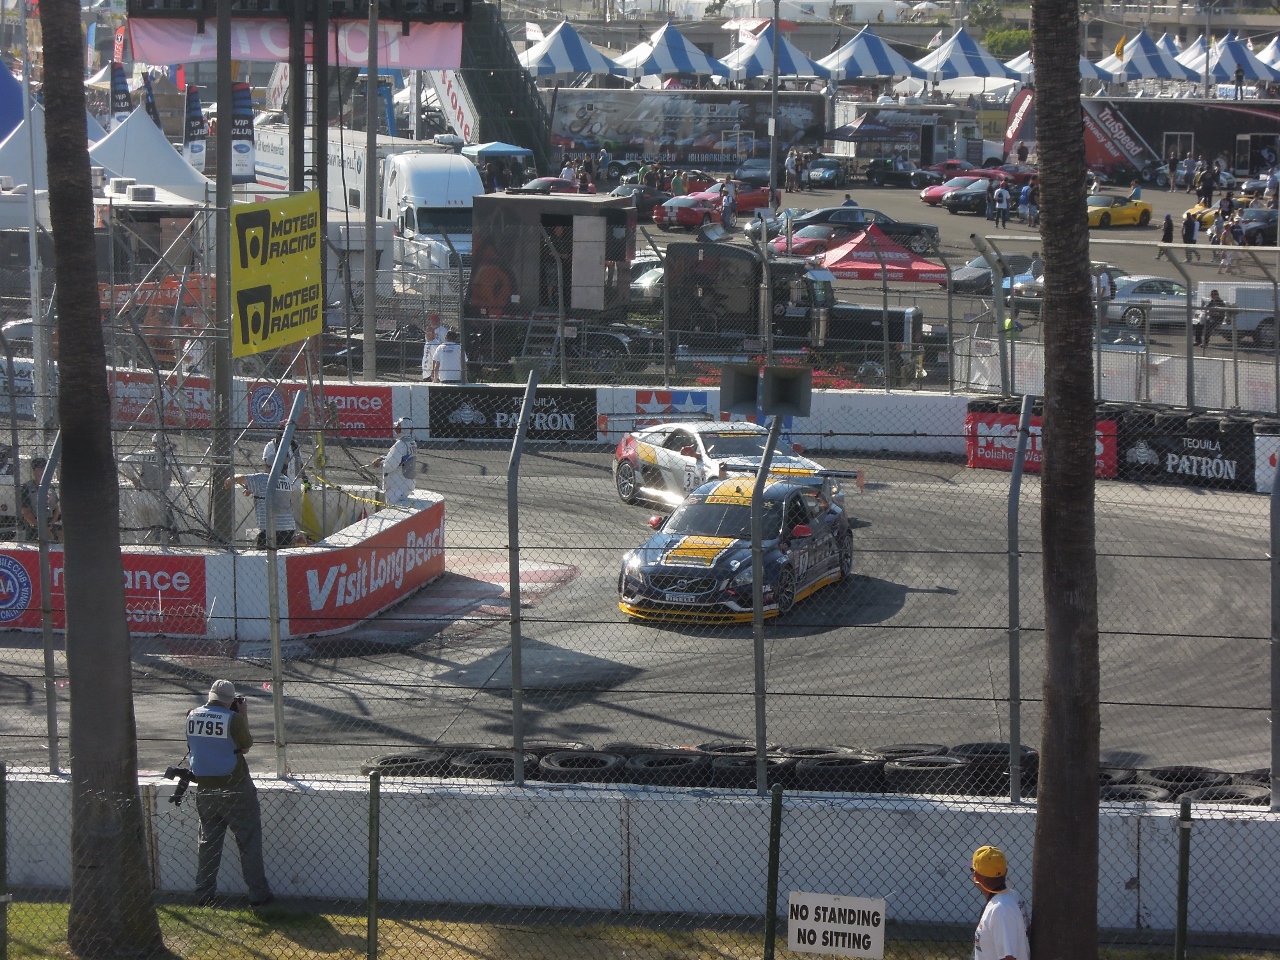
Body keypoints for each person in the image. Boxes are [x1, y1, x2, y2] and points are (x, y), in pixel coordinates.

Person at [187, 680, 273, 908]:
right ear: (231, 700)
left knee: (208, 843)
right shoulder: (232, 719)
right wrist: (242, 715)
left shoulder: (192, 715)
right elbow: (245, 746)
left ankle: (203, 893)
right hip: (235, 786)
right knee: (249, 841)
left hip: (205, 787)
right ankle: (258, 894)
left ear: (210, 695)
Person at [970, 846, 1030, 960]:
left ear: (976, 877)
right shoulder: (1011, 896)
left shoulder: (1000, 910)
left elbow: (1008, 957)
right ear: (1005, 872)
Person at [226, 469, 295, 549]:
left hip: (272, 526)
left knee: (263, 554)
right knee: (281, 556)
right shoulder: (286, 479)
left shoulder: (264, 478)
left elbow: (242, 478)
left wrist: (231, 478)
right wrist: (253, 490)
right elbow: (274, 494)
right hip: (288, 525)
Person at [371, 417, 418, 507]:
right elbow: (401, 458)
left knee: (392, 511)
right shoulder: (412, 443)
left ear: (399, 429)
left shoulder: (400, 444)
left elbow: (390, 466)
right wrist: (382, 458)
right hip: (407, 485)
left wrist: (381, 463)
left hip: (396, 487)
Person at [20, 456, 59, 543]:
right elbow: (26, 512)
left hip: (49, 523)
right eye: (39, 468)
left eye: (44, 468)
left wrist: (50, 524)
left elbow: (56, 509)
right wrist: (42, 529)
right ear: (34, 470)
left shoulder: (50, 486)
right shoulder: (27, 487)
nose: (42, 471)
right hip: (34, 526)